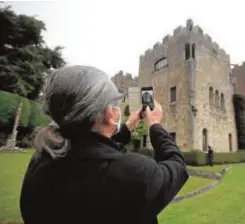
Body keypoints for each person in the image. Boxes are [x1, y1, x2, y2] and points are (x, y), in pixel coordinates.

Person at [19, 66, 189, 224]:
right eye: (116, 104)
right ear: (109, 113)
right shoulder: (132, 173)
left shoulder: (43, 159)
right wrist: (155, 125)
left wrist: (128, 125)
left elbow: (93, 148)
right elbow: (176, 165)